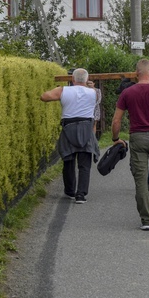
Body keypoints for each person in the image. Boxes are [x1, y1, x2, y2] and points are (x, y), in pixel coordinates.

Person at [111, 59, 149, 230]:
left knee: (140, 178)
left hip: (137, 136)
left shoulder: (127, 93)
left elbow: (116, 120)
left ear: (136, 73)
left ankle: (146, 220)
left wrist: (115, 138)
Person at [41, 68, 99, 203]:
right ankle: (81, 195)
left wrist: (57, 90)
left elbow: (44, 97)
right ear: (87, 79)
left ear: (72, 79)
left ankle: (70, 190)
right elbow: (94, 99)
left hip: (69, 128)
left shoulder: (63, 90)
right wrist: (91, 87)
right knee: (85, 164)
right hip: (86, 128)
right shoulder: (94, 93)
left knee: (68, 160)